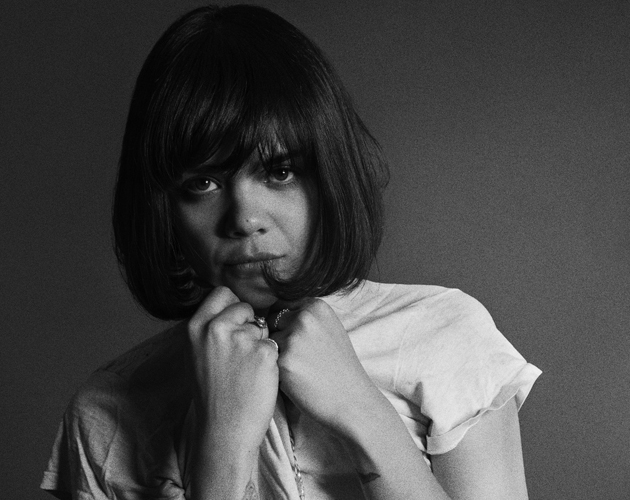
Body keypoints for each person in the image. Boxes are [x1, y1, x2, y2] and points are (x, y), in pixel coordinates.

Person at [41, 4, 541, 500]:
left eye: (279, 172)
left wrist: (360, 410)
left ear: (328, 176)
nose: (244, 219)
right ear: (162, 206)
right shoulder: (108, 412)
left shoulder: (446, 339)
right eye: (203, 183)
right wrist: (223, 445)